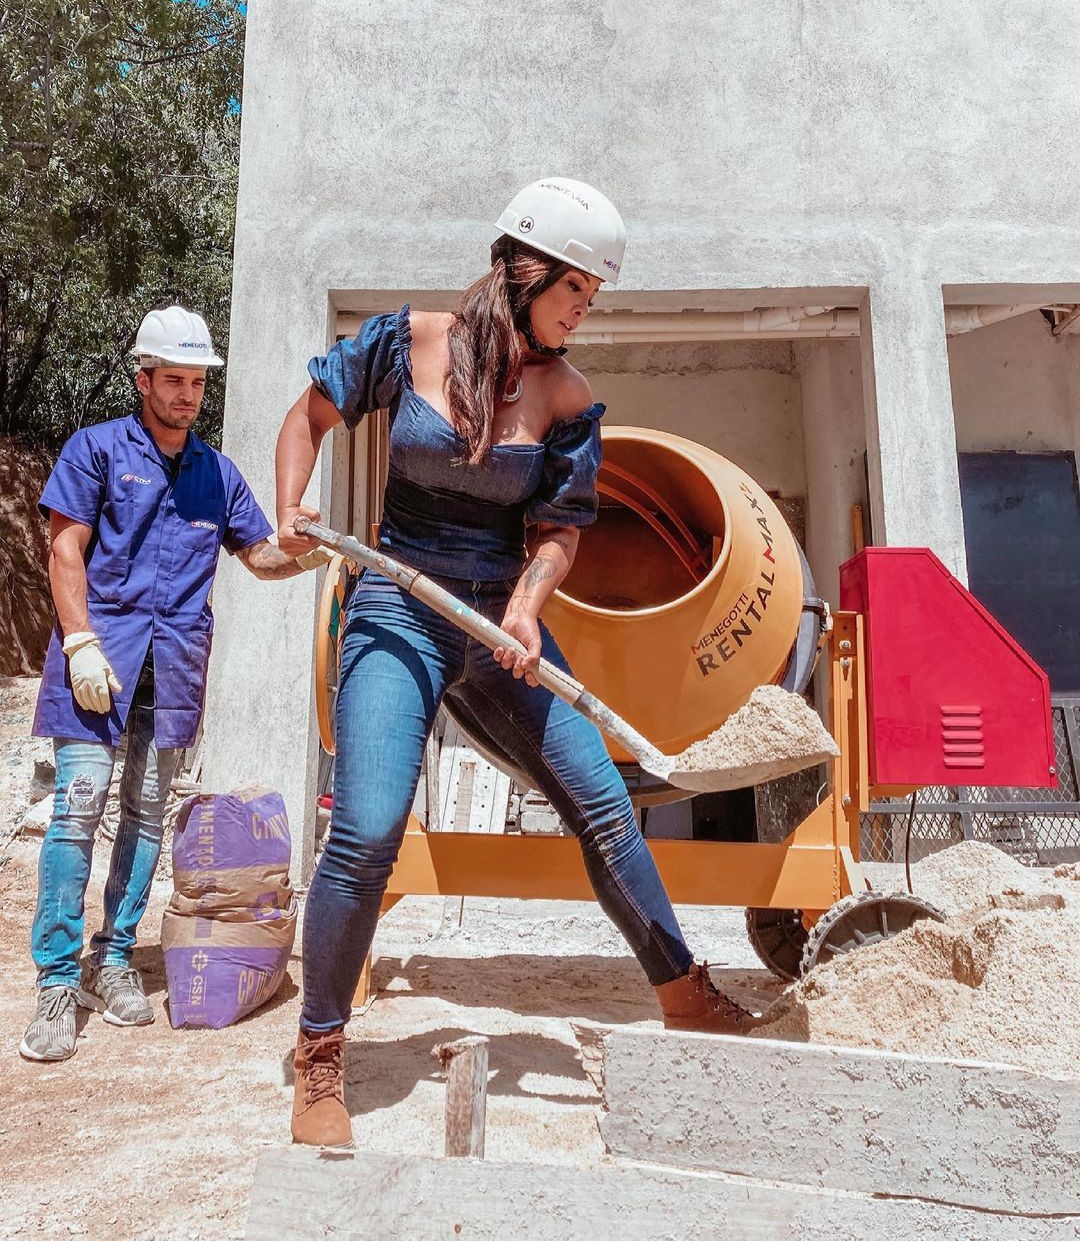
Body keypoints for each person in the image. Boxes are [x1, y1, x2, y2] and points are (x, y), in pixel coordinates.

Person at [276, 178, 754, 1148]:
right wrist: (291, 506)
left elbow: (557, 531)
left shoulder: (567, 397)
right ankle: (319, 1052)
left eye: (592, 294)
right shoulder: (405, 341)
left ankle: (685, 993)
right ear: (523, 269)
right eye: (575, 287)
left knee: (607, 806)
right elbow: (308, 418)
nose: (583, 309)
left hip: (500, 619)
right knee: (366, 830)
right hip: (396, 606)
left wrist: (528, 613)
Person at [20, 306, 329, 1063]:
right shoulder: (94, 451)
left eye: (197, 382)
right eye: (175, 380)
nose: (188, 394)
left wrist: (308, 552)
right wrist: (81, 640)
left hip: (175, 668)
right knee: (78, 809)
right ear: (143, 379)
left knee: (148, 814)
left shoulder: (216, 474)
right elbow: (65, 551)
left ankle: (113, 958)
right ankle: (57, 979)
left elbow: (259, 556)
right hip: (98, 662)